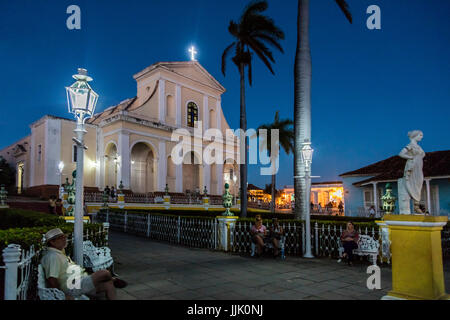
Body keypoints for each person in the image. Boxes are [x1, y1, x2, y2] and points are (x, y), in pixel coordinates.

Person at [40, 228, 127, 300]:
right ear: (52, 242)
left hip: (79, 281)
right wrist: (62, 296)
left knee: (108, 285)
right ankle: (113, 279)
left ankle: (111, 281)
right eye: (61, 238)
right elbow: (52, 279)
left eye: (64, 237)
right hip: (72, 287)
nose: (64, 239)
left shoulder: (59, 252)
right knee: (104, 273)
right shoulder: (52, 256)